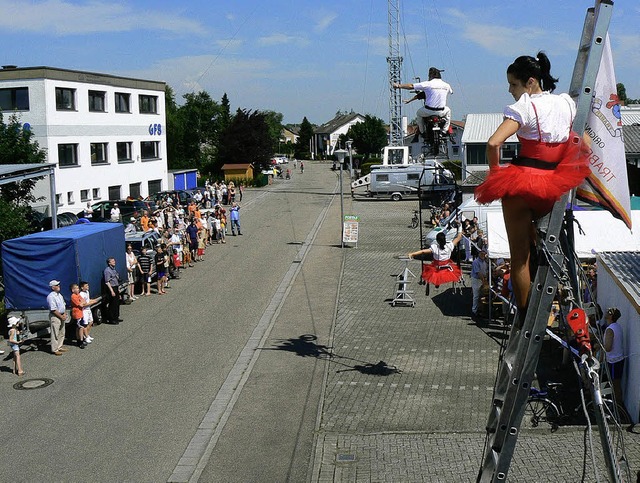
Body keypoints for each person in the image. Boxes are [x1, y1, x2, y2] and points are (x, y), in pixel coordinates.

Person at [474, 52, 590, 321]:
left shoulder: (525, 106)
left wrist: (495, 176)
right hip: (554, 183)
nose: (510, 90)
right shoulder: (565, 103)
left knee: (519, 257)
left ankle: (526, 316)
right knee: (540, 241)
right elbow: (583, 142)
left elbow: (493, 144)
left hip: (522, 182)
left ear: (529, 82)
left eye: (513, 84)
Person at [393, 67, 453, 137]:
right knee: (448, 111)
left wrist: (398, 86)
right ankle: (444, 130)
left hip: (428, 110)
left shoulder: (428, 84)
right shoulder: (447, 85)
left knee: (418, 113)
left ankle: (422, 131)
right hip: (441, 111)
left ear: (431, 75)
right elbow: (451, 92)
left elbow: (411, 86)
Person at [603, 307, 625, 404]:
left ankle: (617, 406)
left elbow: (607, 347)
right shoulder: (618, 326)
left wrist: (599, 345)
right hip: (618, 359)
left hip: (613, 361)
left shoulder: (610, 329)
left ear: (611, 316)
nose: (605, 313)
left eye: (608, 312)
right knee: (616, 384)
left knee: (615, 385)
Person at [46, 280, 68, 355]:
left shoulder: (59, 295)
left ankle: (59, 346)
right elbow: (53, 309)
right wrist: (61, 317)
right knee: (55, 333)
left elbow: (63, 305)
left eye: (59, 285)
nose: (59, 286)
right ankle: (55, 349)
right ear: (52, 287)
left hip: (61, 315)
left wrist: (64, 314)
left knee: (62, 332)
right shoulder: (51, 297)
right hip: (55, 316)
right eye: (57, 285)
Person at [470, 250, 489, 318]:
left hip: (482, 279)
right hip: (476, 279)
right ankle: (474, 310)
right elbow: (478, 272)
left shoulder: (485, 262)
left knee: (482, 295)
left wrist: (485, 278)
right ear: (479, 254)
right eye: (481, 254)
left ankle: (481, 309)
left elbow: (486, 271)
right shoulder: (475, 262)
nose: (483, 255)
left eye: (484, 254)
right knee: (476, 295)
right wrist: (484, 281)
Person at [103, 258, 122, 324]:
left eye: (114, 261)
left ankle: (116, 316)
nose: (114, 262)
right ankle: (112, 319)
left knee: (117, 303)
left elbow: (116, 279)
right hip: (111, 288)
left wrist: (118, 289)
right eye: (112, 261)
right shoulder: (107, 271)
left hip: (116, 287)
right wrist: (112, 291)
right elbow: (107, 282)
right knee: (112, 304)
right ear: (109, 263)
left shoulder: (114, 270)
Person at [70, 283, 89, 348]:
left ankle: (80, 339)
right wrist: (82, 302)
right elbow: (80, 304)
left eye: (78, 288)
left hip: (81, 313)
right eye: (77, 288)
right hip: (77, 314)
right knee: (80, 327)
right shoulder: (73, 296)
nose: (78, 290)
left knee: (79, 327)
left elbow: (84, 301)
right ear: (73, 290)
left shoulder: (78, 295)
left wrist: (82, 302)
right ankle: (80, 341)